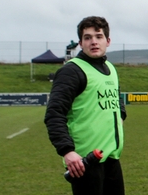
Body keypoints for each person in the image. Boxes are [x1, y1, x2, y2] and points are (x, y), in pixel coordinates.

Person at [45, 16, 126, 195]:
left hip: (111, 157)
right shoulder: (71, 71)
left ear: (108, 41)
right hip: (84, 162)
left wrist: (120, 115)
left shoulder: (111, 69)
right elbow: (54, 113)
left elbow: (117, 99)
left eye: (98, 36)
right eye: (87, 38)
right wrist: (67, 151)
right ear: (81, 43)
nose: (94, 42)